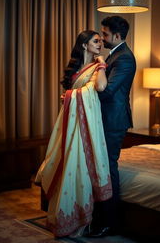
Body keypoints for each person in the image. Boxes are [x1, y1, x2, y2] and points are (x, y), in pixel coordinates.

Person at [35, 30, 113, 238]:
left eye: (100, 40)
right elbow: (71, 93)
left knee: (77, 163)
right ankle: (63, 216)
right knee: (63, 160)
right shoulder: (76, 68)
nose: (100, 43)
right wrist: (69, 97)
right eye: (96, 41)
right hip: (69, 122)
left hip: (86, 126)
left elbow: (100, 86)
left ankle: (81, 219)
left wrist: (102, 63)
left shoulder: (98, 67)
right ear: (84, 45)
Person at [89, 16, 136, 237]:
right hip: (106, 119)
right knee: (102, 168)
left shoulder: (124, 58)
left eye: (105, 34)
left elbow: (107, 91)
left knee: (107, 169)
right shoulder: (115, 54)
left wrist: (99, 67)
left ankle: (110, 222)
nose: (102, 38)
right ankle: (100, 217)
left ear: (117, 35)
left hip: (114, 121)